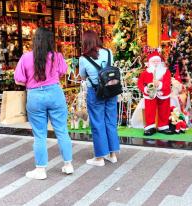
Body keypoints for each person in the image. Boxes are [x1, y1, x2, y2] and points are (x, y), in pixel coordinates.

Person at [14, 27, 73, 180]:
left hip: (35, 96)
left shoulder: (26, 57)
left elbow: (18, 79)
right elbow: (63, 72)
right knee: (61, 130)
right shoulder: (57, 56)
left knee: (39, 134)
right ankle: (68, 165)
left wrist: (31, 81)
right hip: (55, 93)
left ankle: (40, 170)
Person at [79, 30, 119, 166]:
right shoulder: (108, 52)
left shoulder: (83, 59)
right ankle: (112, 154)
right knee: (110, 121)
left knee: (97, 123)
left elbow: (83, 76)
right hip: (111, 90)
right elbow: (110, 69)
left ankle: (100, 157)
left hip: (95, 92)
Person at [137, 50, 173, 136]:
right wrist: (145, 89)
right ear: (149, 62)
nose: (156, 63)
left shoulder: (166, 71)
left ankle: (163, 126)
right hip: (150, 94)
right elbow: (140, 83)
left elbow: (168, 83)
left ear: (160, 62)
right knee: (149, 110)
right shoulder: (145, 73)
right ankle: (150, 127)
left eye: (157, 61)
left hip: (163, 93)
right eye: (153, 61)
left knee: (164, 109)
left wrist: (160, 84)